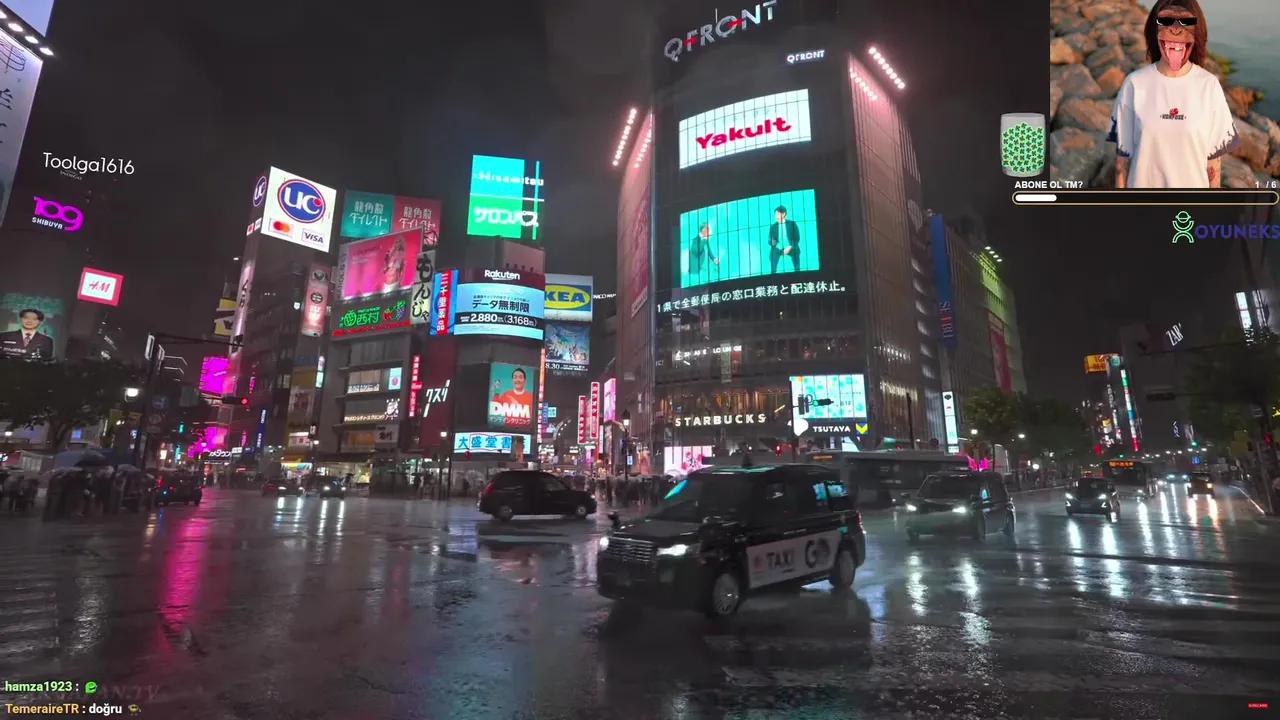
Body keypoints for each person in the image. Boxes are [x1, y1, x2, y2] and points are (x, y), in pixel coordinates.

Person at [1107, 0, 1238, 188]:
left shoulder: (1209, 86)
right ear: (1153, 30)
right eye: (1166, 21)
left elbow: (1213, 164)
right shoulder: (1134, 84)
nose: (1176, 30)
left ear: (1198, 32)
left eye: (1186, 22)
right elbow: (1122, 159)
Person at [768, 205, 801, 273]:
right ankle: (773, 274)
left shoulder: (792, 224)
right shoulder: (773, 227)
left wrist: (790, 246)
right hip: (778, 248)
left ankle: (798, 272)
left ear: (784, 214)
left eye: (778, 214)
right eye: (776, 214)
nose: (776, 216)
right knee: (773, 255)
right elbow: (770, 240)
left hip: (790, 247)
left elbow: (797, 238)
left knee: (796, 254)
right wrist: (777, 245)